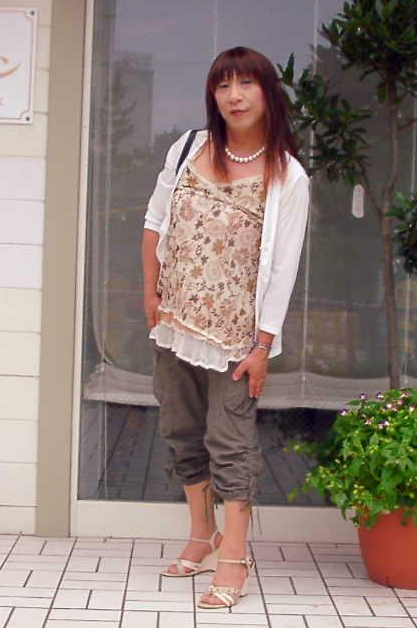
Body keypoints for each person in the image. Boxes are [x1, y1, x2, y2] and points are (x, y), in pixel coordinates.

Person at [142, 46, 309, 609]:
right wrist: (150, 293)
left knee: (230, 441)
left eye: (245, 84)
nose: (234, 96)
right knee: (180, 429)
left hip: (237, 338)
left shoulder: (288, 175)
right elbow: (154, 222)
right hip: (174, 324)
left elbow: (283, 268)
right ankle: (202, 534)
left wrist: (264, 346)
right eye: (223, 85)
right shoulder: (188, 148)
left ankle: (234, 554)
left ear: (267, 92)